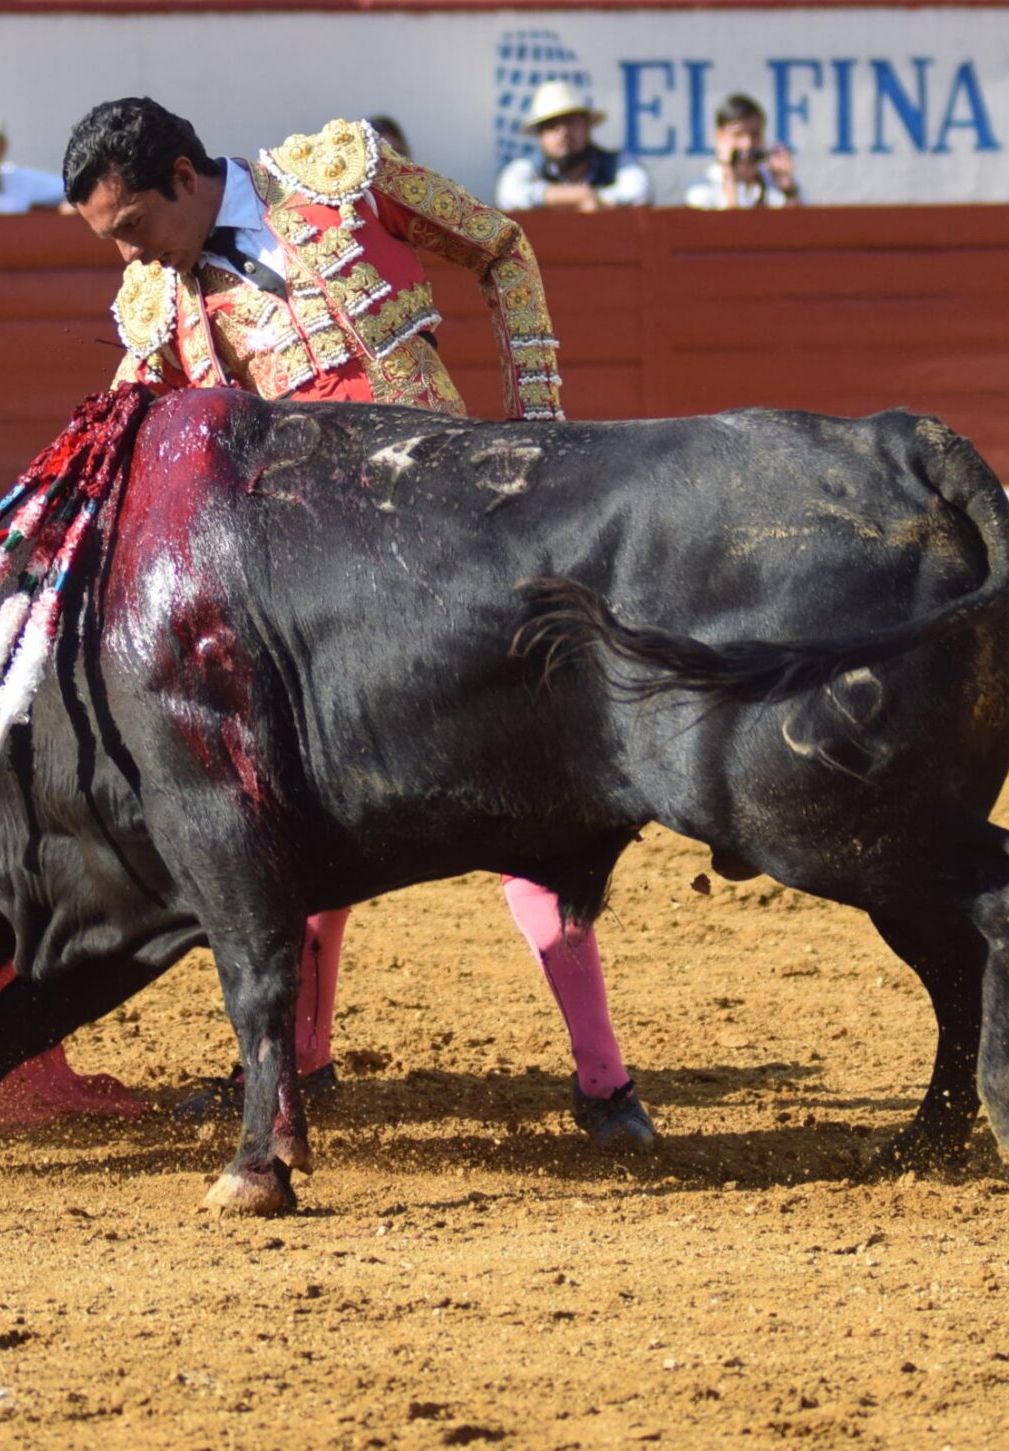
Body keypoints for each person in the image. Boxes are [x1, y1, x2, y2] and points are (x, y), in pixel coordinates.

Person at [63, 96, 654, 1144]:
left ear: (187, 180)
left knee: (528, 811)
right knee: (297, 821)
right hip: (327, 603)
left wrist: (541, 430)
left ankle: (603, 1083)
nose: (126, 254)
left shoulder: (342, 181)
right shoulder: (160, 308)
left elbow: (503, 249)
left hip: (465, 545)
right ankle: (304, 1064)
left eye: (130, 226)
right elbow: (117, 435)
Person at [495, 81, 651, 213]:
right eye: (552, 125)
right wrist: (578, 197)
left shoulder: (618, 162)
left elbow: (640, 190)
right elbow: (508, 194)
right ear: (540, 135)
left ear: (587, 125)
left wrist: (594, 198)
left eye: (570, 121)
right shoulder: (527, 167)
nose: (563, 132)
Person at [684, 94, 801, 210]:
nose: (747, 144)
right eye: (738, 135)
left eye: (754, 135)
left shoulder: (776, 186)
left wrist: (788, 190)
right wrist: (729, 177)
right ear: (719, 138)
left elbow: (798, 225)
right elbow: (727, 226)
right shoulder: (701, 190)